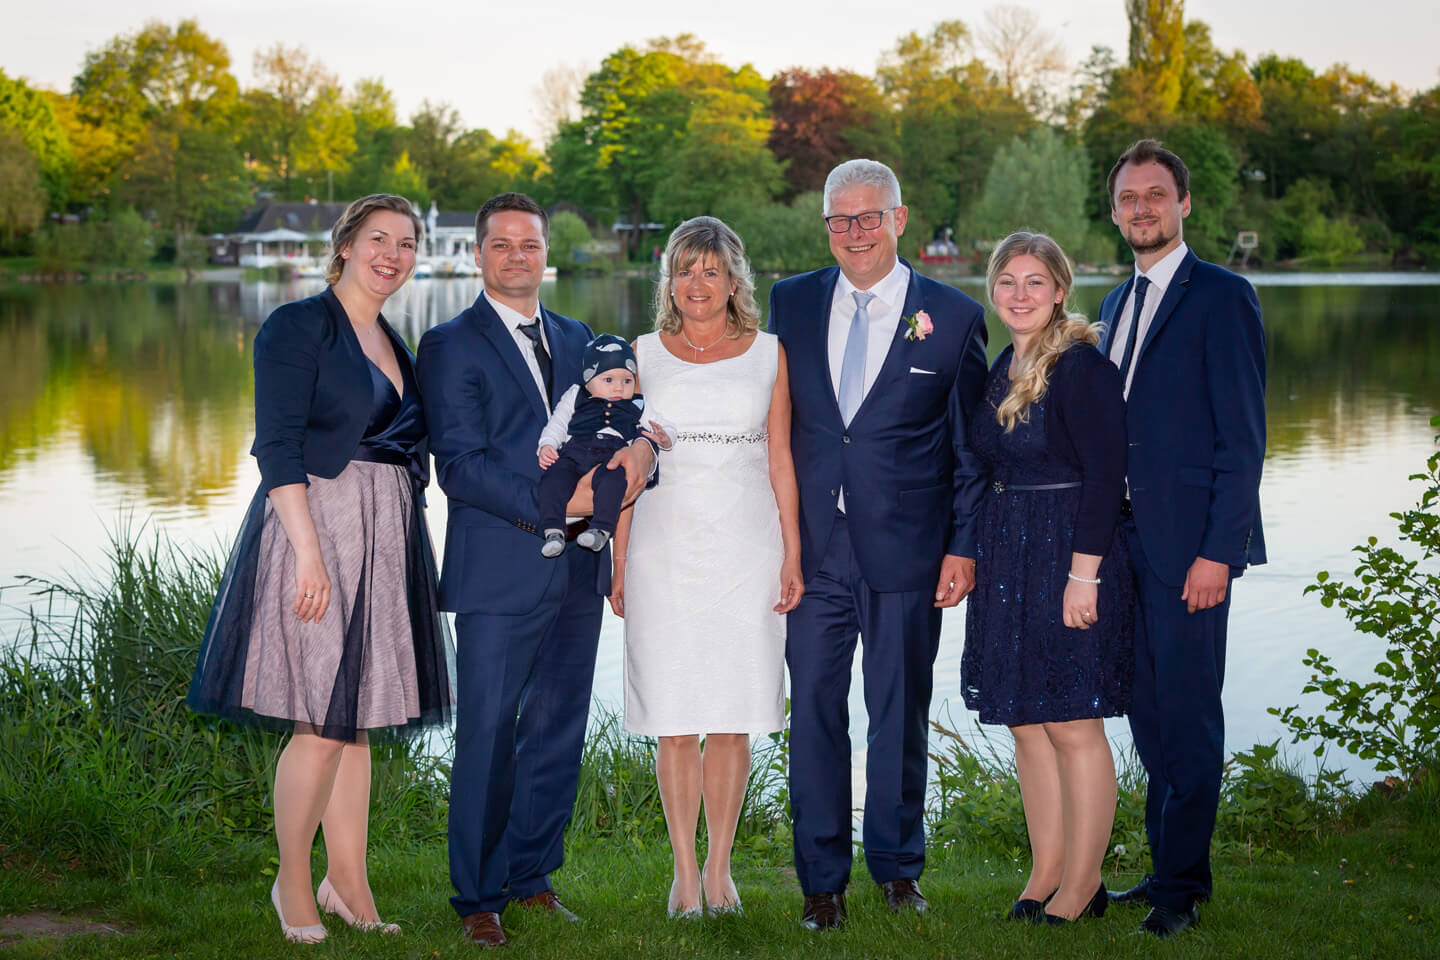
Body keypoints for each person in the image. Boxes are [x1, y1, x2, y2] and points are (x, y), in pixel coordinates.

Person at [187, 193, 452, 944]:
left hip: (385, 535)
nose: (392, 255)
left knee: (355, 719)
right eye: (378, 239)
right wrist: (308, 552)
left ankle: (349, 883)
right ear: (344, 245)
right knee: (319, 721)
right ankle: (293, 884)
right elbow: (276, 446)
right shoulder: (297, 326)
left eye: (406, 243)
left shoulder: (395, 341)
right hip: (317, 529)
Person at [415, 193, 656, 948]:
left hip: (580, 569)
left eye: (529, 244)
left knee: (557, 728)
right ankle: (477, 896)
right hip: (500, 570)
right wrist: (563, 506)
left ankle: (532, 877)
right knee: (487, 734)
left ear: (546, 252)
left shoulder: (581, 338)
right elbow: (460, 466)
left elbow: (622, 423)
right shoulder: (449, 344)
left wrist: (644, 455)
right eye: (502, 244)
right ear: (478, 254)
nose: (517, 256)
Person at [769, 159, 989, 929]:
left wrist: (963, 545)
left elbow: (969, 449)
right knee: (814, 715)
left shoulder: (953, 316)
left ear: (899, 220)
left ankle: (898, 871)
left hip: (908, 550)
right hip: (812, 553)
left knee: (898, 713)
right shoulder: (791, 302)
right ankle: (821, 885)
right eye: (840, 219)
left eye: (868, 217)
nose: (854, 232)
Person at [609, 216, 804, 919]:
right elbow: (623, 465)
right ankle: (684, 875)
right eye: (685, 270)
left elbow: (780, 460)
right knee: (673, 713)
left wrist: (793, 552)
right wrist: (618, 561)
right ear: (670, 282)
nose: (697, 283)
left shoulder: (769, 354)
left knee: (731, 713)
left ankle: (721, 870)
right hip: (662, 548)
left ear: (733, 282)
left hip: (747, 548)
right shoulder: (639, 355)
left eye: (711, 270)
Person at [1098, 140, 1267, 938]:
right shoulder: (1112, 304)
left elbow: (1243, 440)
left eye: (1155, 195)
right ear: (1114, 211)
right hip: (1123, 547)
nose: (1142, 208)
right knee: (1146, 714)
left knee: (1190, 715)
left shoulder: (1224, 297)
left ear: (1184, 204)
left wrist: (1218, 552)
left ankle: (1183, 891)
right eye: (1129, 197)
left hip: (1191, 549)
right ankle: (1168, 867)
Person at [959, 232, 1133, 925]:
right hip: (1010, 556)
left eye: (1035, 282)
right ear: (993, 291)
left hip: (1068, 555)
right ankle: (1046, 873)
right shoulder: (1004, 364)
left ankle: (1084, 885)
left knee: (1071, 721)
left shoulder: (1081, 367)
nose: (1020, 294)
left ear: (1060, 290)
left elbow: (1106, 476)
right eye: (1007, 281)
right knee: (1027, 723)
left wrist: (1084, 576)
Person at [537, 334, 674, 557]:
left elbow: (666, 425)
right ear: (588, 380)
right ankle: (553, 529)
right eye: (608, 380)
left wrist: (665, 437)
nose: (619, 388)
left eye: (627, 381)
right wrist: (547, 445)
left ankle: (601, 529)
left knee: (614, 482)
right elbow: (557, 423)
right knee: (554, 478)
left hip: (611, 458)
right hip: (574, 453)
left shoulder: (638, 404)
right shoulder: (576, 395)